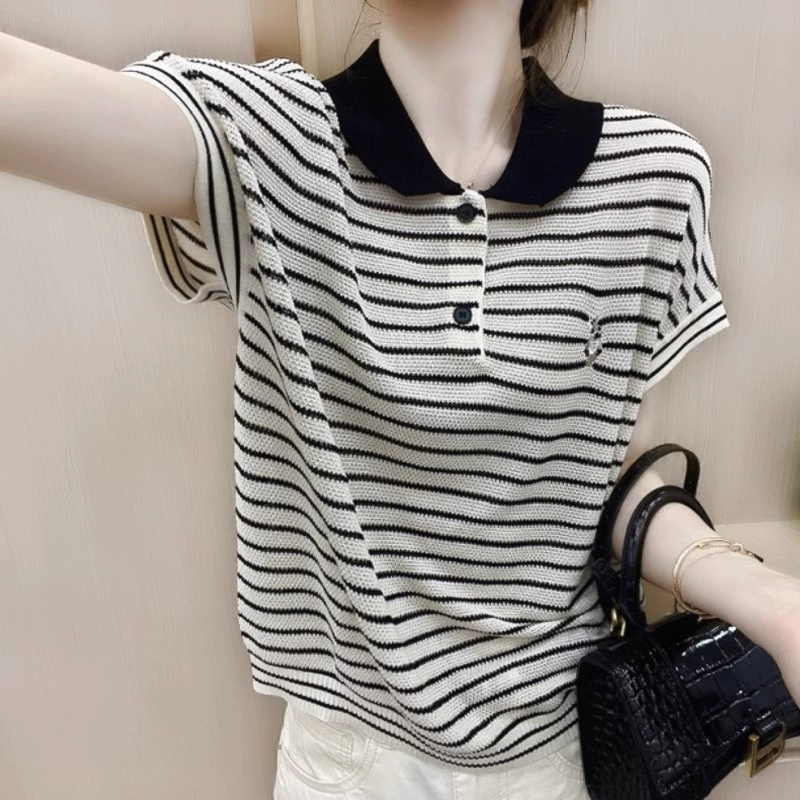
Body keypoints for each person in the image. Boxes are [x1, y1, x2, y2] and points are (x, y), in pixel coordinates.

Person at [4, 2, 800, 799]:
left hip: (555, 755)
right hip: (349, 761)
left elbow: (606, 473)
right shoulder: (263, 138)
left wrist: (769, 602)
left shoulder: (654, 179)